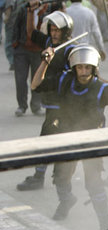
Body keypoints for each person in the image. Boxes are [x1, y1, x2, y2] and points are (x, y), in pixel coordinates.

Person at [31, 44, 108, 230]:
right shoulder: (63, 80)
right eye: (79, 67)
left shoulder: (105, 89)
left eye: (87, 67)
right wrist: (45, 61)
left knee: (94, 184)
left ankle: (106, 228)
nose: (83, 71)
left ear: (94, 68)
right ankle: (66, 201)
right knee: (60, 177)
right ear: (74, 67)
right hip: (66, 139)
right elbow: (35, 85)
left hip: (92, 143)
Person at [16, 9, 75, 191]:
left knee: (47, 140)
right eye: (52, 29)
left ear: (66, 32)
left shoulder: (71, 50)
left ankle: (41, 177)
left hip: (63, 105)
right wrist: (30, 10)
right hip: (50, 101)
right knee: (50, 140)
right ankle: (46, 176)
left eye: (58, 30)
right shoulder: (49, 42)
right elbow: (30, 33)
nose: (54, 33)